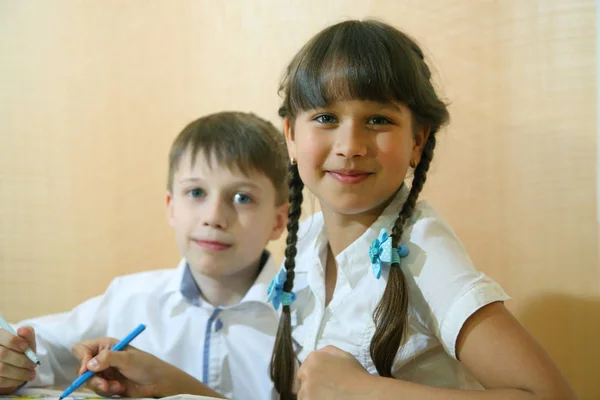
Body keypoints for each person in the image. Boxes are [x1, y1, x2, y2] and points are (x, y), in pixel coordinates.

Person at [268, 19, 577, 400]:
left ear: (417, 141)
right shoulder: (305, 243)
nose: (350, 146)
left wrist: (363, 391)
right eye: (326, 118)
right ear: (291, 137)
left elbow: (550, 395)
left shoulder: (423, 250)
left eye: (378, 120)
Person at [0, 111, 289, 399]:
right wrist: (11, 359)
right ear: (171, 207)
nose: (214, 217)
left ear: (278, 221)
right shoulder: (131, 297)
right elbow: (41, 348)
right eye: (196, 192)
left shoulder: (301, 319)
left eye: (242, 198)